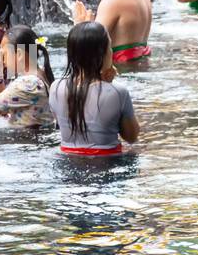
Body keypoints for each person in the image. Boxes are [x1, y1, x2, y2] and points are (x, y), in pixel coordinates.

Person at [48, 21, 139, 155]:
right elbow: (131, 137)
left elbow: (61, 124)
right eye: (109, 47)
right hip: (108, 163)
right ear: (102, 54)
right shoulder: (118, 92)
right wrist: (108, 84)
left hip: (67, 162)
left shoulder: (55, 87)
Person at [0, 24, 55, 128]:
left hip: (25, 142)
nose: (2, 60)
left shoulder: (28, 84)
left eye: (4, 55)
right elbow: (2, 108)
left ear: (19, 54)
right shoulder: (41, 74)